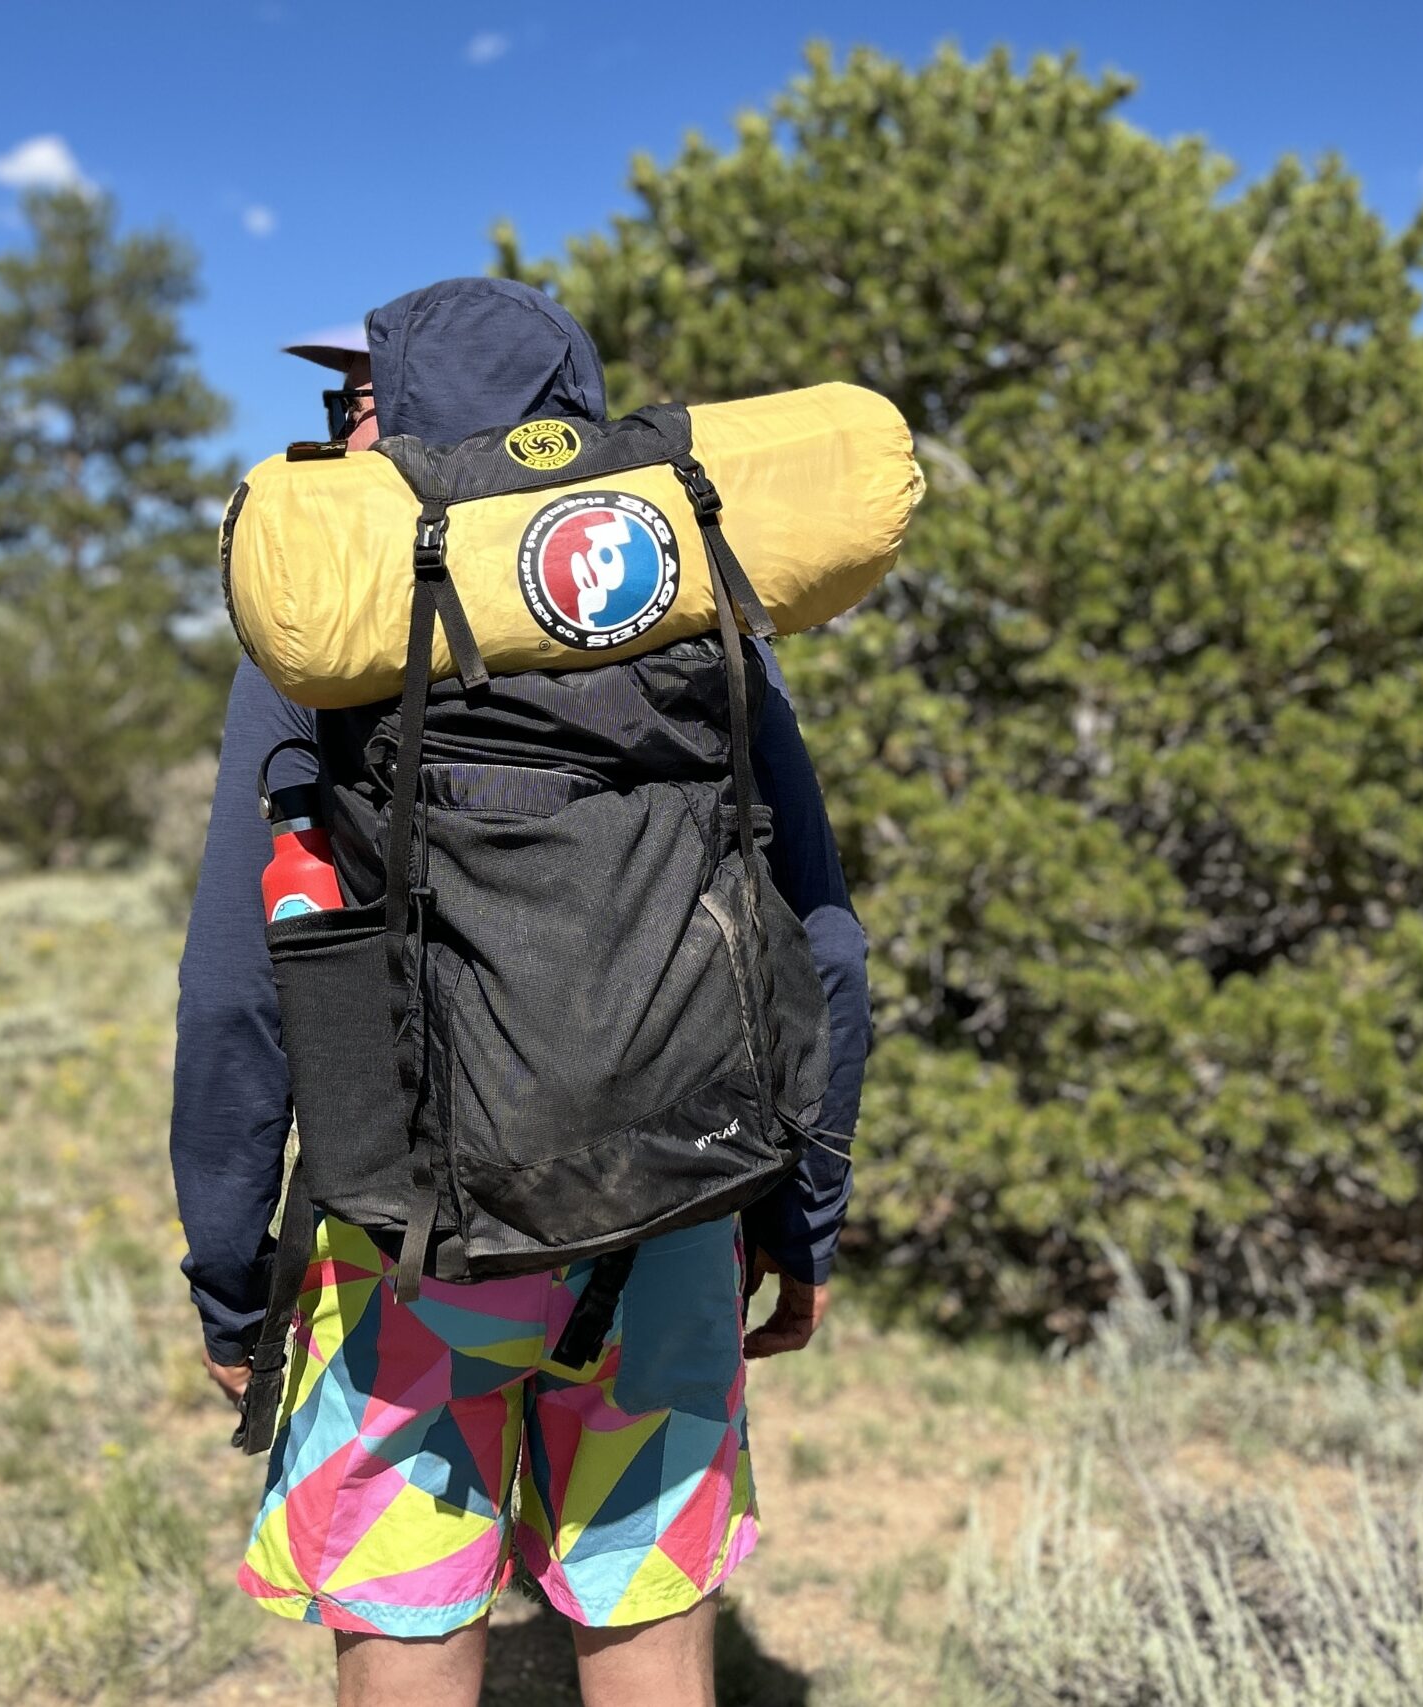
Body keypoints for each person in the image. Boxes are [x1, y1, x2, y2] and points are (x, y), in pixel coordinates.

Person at [170, 277, 869, 1707]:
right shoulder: (695, 602)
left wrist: (232, 1286)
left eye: (352, 400)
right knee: (649, 1608)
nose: (338, 429)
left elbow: (242, 987)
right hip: (677, 1207)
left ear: (404, 420)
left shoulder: (337, 612)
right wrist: (802, 1220)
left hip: (407, 1233)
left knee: (409, 1612)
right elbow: (823, 937)